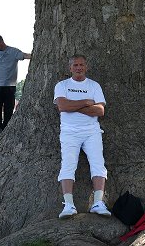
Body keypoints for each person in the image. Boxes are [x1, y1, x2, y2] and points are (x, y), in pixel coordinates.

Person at [54, 54, 111, 219]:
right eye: (75, 65)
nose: (78, 68)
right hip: (69, 132)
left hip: (91, 131)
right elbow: (62, 106)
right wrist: (86, 103)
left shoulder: (94, 86)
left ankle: (98, 203)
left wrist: (73, 105)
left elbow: (100, 111)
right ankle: (69, 205)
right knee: (68, 166)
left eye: (81, 65)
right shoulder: (62, 85)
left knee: (98, 164)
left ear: (86, 67)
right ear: (70, 67)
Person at [0, 34, 31, 141]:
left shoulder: (13, 51)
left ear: (1, 41)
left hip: (10, 87)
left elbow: (25, 55)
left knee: (8, 112)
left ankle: (6, 137)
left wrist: (36, 54)